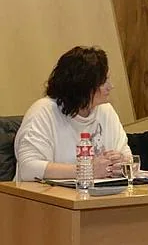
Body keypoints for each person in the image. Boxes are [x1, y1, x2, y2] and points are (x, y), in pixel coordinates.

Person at [14, 46, 131, 181]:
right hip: (47, 199)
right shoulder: (43, 111)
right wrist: (86, 170)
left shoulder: (106, 111)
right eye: (104, 81)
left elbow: (128, 158)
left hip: (99, 198)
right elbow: (28, 169)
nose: (111, 86)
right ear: (84, 85)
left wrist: (120, 163)